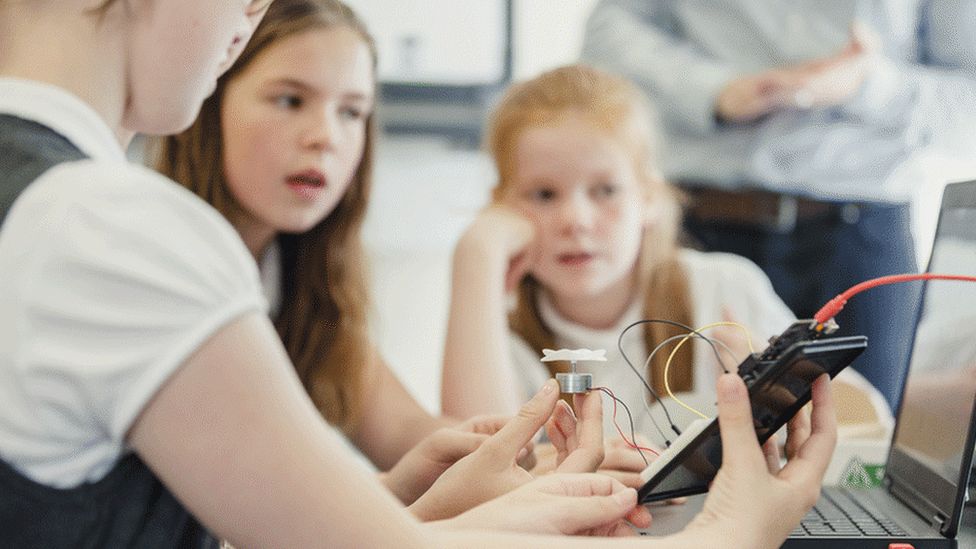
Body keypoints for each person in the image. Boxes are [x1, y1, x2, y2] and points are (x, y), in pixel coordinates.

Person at [0, 1, 838, 547]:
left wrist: (405, 506)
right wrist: (734, 531)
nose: (248, 12)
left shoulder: (57, 202)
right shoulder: (105, 225)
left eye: (353, 110)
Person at [442, 64, 890, 446]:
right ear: (501, 208)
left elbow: (872, 424)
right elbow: (480, 461)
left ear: (650, 199)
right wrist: (478, 255)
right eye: (543, 194)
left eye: (605, 190)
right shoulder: (495, 328)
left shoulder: (723, 288)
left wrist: (782, 380)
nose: (575, 220)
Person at [578, 1, 976, 412]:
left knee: (864, 454)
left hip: (861, 237)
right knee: (681, 437)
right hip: (702, 223)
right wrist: (711, 88)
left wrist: (868, 84)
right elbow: (609, 30)